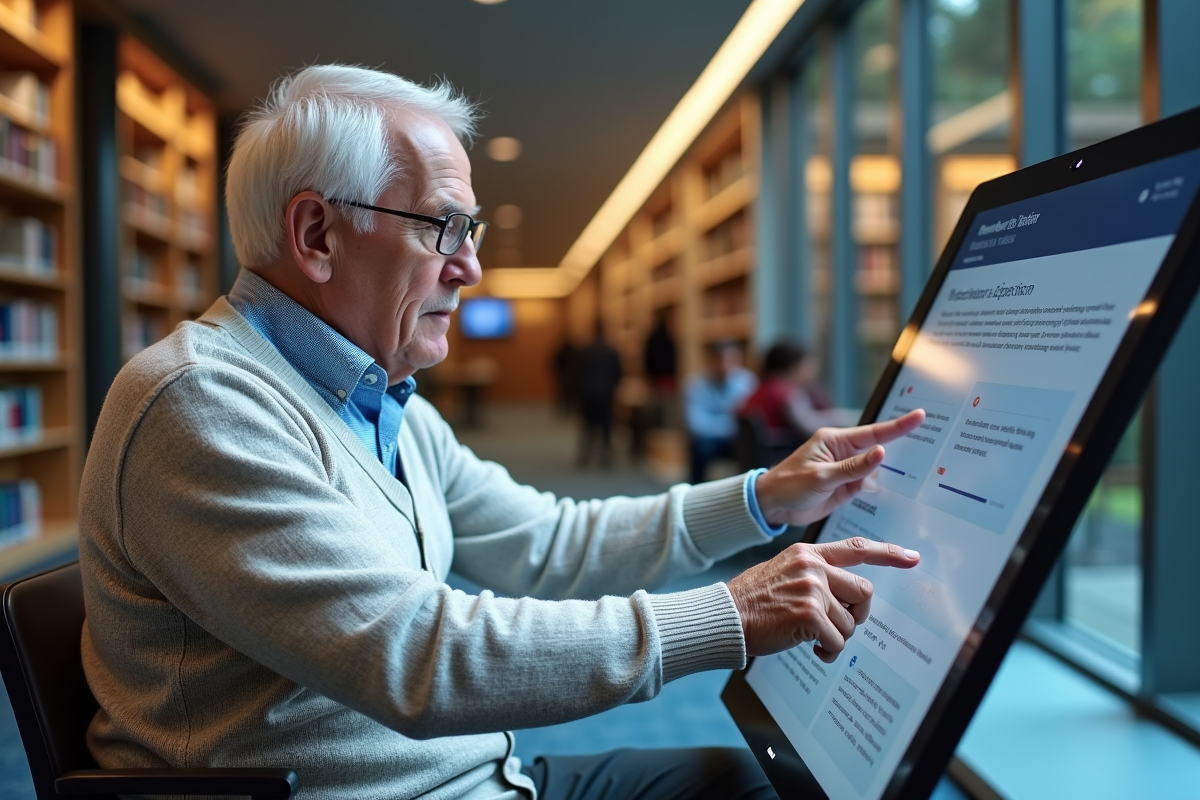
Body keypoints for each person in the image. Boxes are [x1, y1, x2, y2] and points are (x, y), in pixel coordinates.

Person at [78, 65, 924, 800]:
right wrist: (728, 614)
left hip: (478, 777)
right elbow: (416, 656)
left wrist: (763, 497)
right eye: (442, 226)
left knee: (760, 784)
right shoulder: (204, 402)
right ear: (317, 235)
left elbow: (547, 544)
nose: (471, 266)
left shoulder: (384, 403)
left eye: (469, 230)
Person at [740, 341, 857, 449]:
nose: (814, 372)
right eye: (808, 366)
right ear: (792, 367)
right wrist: (844, 419)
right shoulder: (786, 393)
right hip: (782, 455)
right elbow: (810, 428)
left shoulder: (761, 388)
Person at [684, 341, 757, 484]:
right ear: (711, 360)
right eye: (720, 359)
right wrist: (732, 422)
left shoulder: (748, 381)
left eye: (731, 359)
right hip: (710, 440)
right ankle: (695, 488)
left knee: (753, 445)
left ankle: (749, 488)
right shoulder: (695, 384)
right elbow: (696, 425)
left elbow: (750, 420)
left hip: (737, 439)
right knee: (700, 447)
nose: (725, 364)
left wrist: (717, 421)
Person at [574, 322, 623, 467]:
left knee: (587, 425)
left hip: (587, 393)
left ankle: (585, 456)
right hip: (605, 394)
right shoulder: (612, 351)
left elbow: (577, 373)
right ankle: (605, 456)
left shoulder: (584, 351)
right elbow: (618, 373)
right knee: (606, 426)